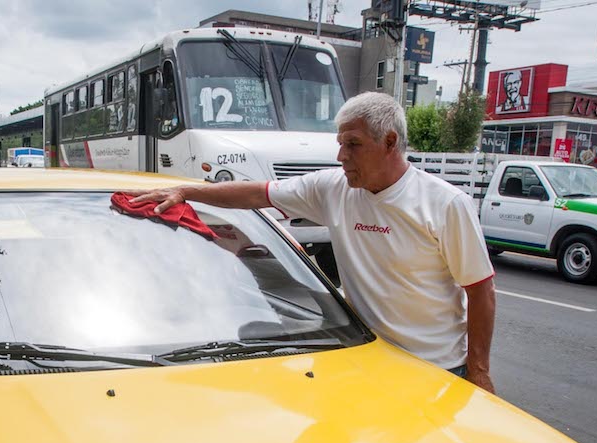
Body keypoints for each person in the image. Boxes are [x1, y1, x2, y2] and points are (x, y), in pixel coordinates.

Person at [128, 92, 497, 393]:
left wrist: (479, 372)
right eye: (340, 144)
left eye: (352, 144)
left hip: (438, 370)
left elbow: (480, 290)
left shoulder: (445, 204)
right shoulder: (333, 188)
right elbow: (257, 193)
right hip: (368, 360)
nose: (341, 157)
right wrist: (185, 191)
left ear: (389, 142)